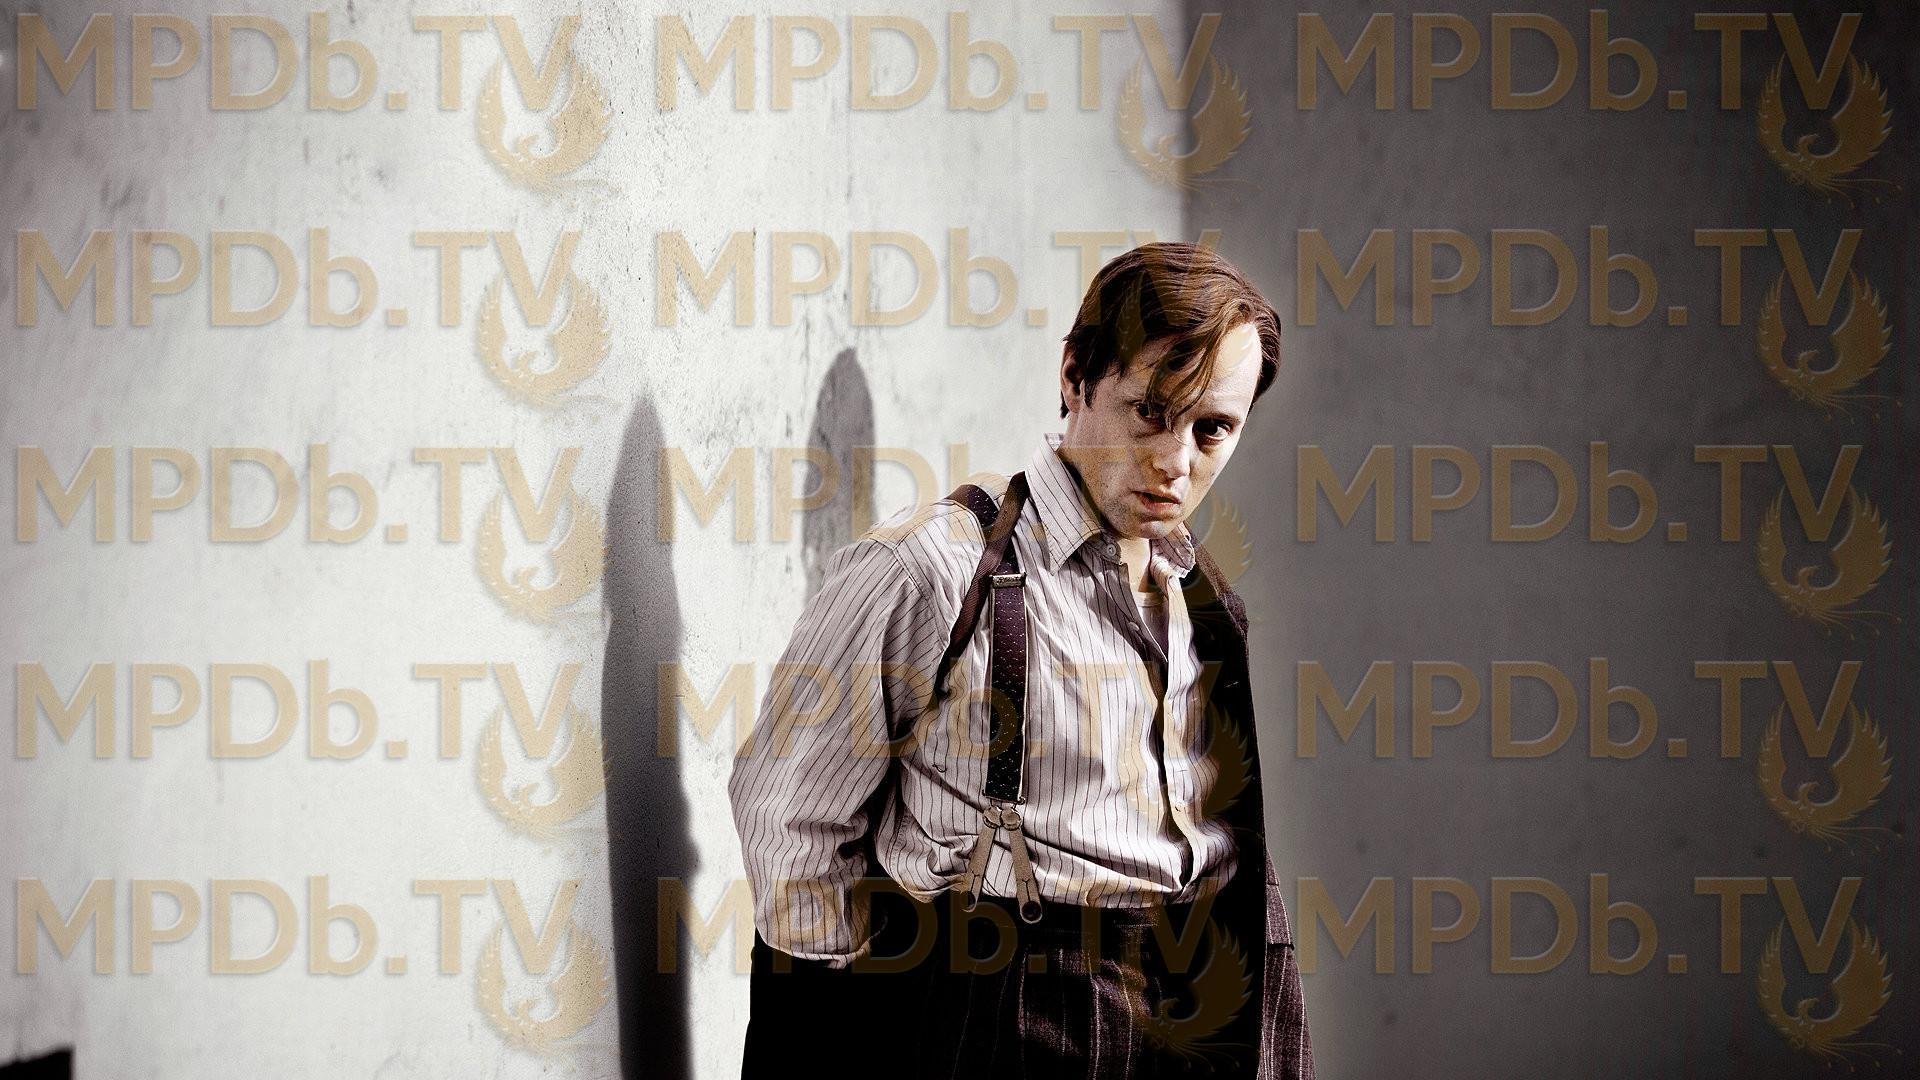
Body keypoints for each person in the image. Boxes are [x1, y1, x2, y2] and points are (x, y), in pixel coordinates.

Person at [728, 242, 1313, 1077]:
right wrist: (861, 1031)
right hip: (1015, 1012)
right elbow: (790, 820)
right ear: (1076, 376)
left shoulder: (1205, 600)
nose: (1176, 462)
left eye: (1211, 429)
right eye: (1150, 411)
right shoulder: (932, 568)